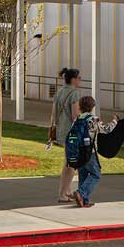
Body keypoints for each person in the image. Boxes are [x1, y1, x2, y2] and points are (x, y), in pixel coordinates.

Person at [49, 68, 84, 203]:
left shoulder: (60, 91)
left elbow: (53, 113)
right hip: (72, 133)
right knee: (71, 164)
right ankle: (62, 193)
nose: (80, 80)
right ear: (73, 79)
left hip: (61, 130)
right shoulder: (74, 93)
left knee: (69, 161)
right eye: (79, 78)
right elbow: (76, 115)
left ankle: (67, 191)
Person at [66, 95, 109, 207]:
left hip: (78, 152)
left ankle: (83, 200)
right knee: (96, 174)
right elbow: (106, 130)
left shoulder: (77, 119)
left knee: (83, 174)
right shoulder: (93, 119)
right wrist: (115, 121)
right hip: (90, 152)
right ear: (92, 107)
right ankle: (81, 193)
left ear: (80, 107)